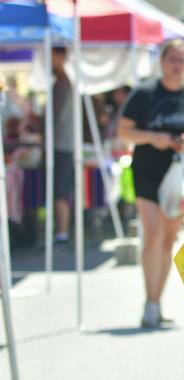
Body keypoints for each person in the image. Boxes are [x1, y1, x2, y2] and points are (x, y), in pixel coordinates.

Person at [117, 39, 184, 328]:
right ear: (162, 61)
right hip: (147, 171)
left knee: (169, 239)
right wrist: (152, 137)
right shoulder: (144, 93)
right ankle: (151, 302)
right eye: (171, 59)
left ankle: (157, 301)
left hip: (181, 176)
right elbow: (124, 132)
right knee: (152, 234)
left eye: (181, 60)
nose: (176, 65)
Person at [51, 47, 75, 250]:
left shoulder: (63, 82)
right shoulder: (63, 81)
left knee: (60, 191)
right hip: (62, 144)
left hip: (61, 144)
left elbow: (55, 115)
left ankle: (62, 234)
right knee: (60, 191)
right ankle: (61, 233)